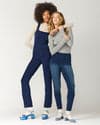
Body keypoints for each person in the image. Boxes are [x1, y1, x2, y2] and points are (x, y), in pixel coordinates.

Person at [20, 2, 57, 120]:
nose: (46, 16)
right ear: (40, 15)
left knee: (47, 81)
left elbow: (55, 44)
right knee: (24, 79)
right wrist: (35, 50)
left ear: (51, 15)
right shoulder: (37, 26)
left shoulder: (53, 28)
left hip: (47, 58)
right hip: (35, 57)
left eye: (48, 14)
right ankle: (29, 109)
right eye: (44, 14)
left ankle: (46, 110)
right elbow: (26, 41)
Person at [48, 11, 76, 122]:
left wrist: (62, 30)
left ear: (61, 19)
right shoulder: (51, 34)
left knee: (72, 86)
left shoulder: (67, 29)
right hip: (54, 62)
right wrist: (64, 39)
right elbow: (52, 51)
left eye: (58, 17)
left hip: (66, 61)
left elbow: (70, 45)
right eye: (53, 17)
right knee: (57, 87)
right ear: (52, 20)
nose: (55, 18)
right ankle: (60, 112)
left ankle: (68, 113)